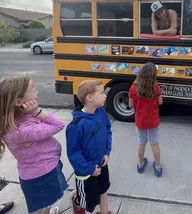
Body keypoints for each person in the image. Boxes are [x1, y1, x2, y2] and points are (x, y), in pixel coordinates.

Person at [0, 75, 67, 214]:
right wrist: (37, 112)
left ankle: (47, 210)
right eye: (33, 89)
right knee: (43, 204)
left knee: (46, 202)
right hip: (42, 176)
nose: (37, 92)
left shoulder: (23, 118)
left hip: (43, 169)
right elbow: (58, 125)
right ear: (19, 101)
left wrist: (32, 113)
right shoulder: (21, 131)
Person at [66, 80, 112, 214]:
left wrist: (106, 152)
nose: (105, 96)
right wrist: (90, 169)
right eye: (102, 93)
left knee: (104, 189)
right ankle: (77, 200)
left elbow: (108, 130)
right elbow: (73, 153)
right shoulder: (76, 125)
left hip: (102, 163)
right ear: (89, 97)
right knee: (88, 203)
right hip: (86, 172)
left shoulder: (101, 112)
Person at [128, 62, 163, 177]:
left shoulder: (134, 88)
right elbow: (160, 102)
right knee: (154, 143)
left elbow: (131, 105)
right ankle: (158, 167)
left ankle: (140, 164)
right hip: (153, 121)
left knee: (141, 143)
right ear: (154, 75)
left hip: (140, 121)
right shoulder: (155, 87)